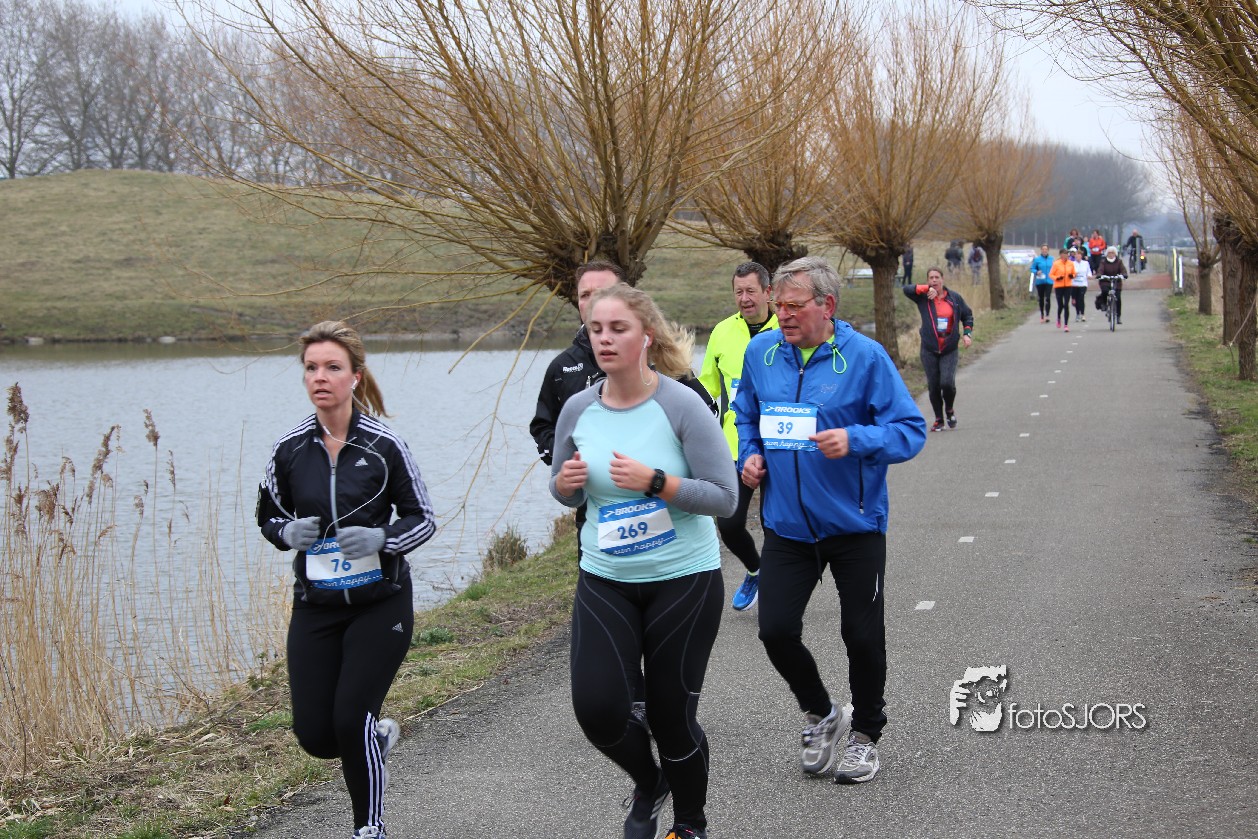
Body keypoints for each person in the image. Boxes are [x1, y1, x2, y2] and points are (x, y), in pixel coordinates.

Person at [551, 284, 737, 839]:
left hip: (683, 580)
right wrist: (565, 486)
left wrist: (658, 482)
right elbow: (564, 492)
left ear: (646, 337)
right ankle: (649, 781)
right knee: (598, 711)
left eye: (618, 329)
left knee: (669, 716)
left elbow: (725, 498)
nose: (604, 339)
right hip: (605, 578)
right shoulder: (577, 409)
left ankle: (690, 825)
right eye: (596, 329)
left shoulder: (680, 405)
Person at [733, 256, 926, 785]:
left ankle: (865, 735)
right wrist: (750, 455)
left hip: (854, 526)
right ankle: (822, 713)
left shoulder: (865, 358)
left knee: (860, 635)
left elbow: (910, 430)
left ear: (828, 305)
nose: (783, 315)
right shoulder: (760, 353)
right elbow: (746, 414)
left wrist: (855, 439)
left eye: (795, 306)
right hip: (787, 526)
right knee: (774, 630)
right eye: (779, 305)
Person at [257, 321, 437, 839]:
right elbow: (267, 515)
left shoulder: (384, 445)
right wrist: (286, 532)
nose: (320, 377)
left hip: (380, 604)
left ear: (355, 376)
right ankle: (374, 740)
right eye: (311, 368)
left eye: (332, 367)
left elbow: (423, 518)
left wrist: (383, 539)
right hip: (316, 606)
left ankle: (369, 828)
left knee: (351, 716)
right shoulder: (289, 450)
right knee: (317, 735)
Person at [698, 262, 777, 611]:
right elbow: (707, 390)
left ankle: (780, 583)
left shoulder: (786, 327)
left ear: (768, 293)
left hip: (780, 442)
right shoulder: (722, 332)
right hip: (735, 444)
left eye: (751, 291)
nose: (744, 298)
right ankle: (756, 570)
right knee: (729, 524)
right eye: (738, 292)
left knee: (776, 523)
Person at [903, 267, 974, 432]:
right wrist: (925, 289)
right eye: (931, 278)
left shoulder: (954, 298)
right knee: (934, 385)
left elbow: (967, 315)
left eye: (937, 277)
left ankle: (949, 409)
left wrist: (967, 334)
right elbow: (906, 289)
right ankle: (938, 419)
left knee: (947, 383)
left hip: (949, 347)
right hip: (929, 349)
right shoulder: (924, 298)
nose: (934, 280)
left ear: (942, 279)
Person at [1096, 245, 1128, 324]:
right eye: (1109, 253)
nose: (1111, 255)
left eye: (1112, 253)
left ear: (1115, 254)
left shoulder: (1119, 262)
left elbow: (1123, 270)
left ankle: (1118, 316)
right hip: (1106, 281)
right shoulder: (1103, 262)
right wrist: (1100, 275)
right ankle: (1104, 304)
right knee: (1105, 291)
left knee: (1118, 298)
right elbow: (1100, 269)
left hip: (1116, 281)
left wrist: (1124, 274)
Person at [1050, 248, 1077, 332]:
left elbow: (1074, 273)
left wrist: (1072, 276)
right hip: (1059, 286)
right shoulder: (1056, 263)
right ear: (1061, 255)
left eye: (1067, 254)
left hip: (1068, 286)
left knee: (1066, 304)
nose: (1066, 255)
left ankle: (1066, 324)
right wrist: (1057, 278)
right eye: (1064, 254)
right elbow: (1051, 274)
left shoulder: (1071, 263)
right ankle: (1058, 318)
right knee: (1060, 305)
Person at [1029, 244, 1055, 324]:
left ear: (1048, 250)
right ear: (1041, 250)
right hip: (1040, 281)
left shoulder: (1051, 259)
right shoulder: (1037, 259)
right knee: (1041, 298)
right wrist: (1036, 272)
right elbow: (1032, 268)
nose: (1044, 251)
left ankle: (1047, 315)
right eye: (1043, 249)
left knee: (1048, 298)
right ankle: (1042, 315)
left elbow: (1055, 268)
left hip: (1049, 281)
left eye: (1046, 249)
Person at [1070, 245, 1091, 323]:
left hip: (1083, 283)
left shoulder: (1085, 263)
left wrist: (1089, 276)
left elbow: (1089, 272)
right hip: (1074, 284)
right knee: (1076, 300)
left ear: (1081, 256)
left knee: (1081, 298)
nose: (1077, 257)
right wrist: (1073, 275)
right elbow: (1069, 274)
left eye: (1079, 255)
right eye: (1076, 255)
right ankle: (1077, 313)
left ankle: (1082, 314)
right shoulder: (1072, 264)